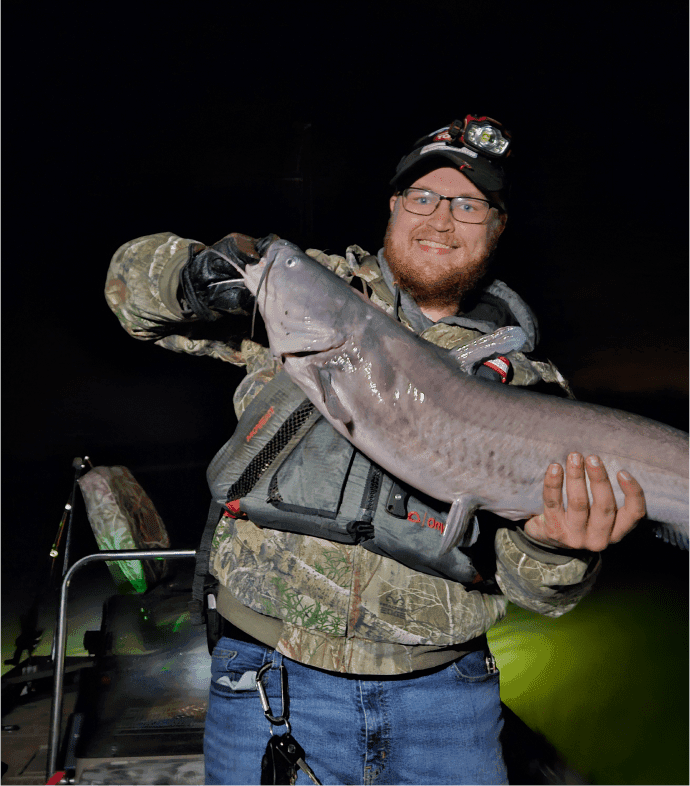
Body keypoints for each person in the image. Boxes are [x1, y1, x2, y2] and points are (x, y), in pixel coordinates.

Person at [106, 115, 647, 786]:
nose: (441, 219)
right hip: (270, 687)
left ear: (498, 225)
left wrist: (560, 547)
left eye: (468, 204)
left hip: (447, 707)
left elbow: (539, 590)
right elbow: (129, 292)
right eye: (422, 197)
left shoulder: (536, 393)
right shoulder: (311, 292)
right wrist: (189, 276)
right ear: (392, 207)